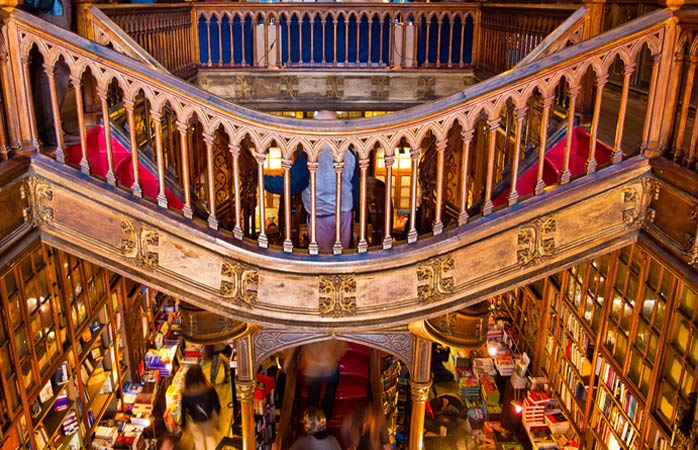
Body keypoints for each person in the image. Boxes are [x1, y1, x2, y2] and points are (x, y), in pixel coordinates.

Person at [264, 110, 357, 252]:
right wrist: (351, 208)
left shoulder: (310, 154)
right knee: (341, 257)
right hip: (344, 216)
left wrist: (262, 179)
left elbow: (292, 184)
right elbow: (356, 188)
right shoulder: (350, 152)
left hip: (321, 217)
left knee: (323, 259)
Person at [25, 0, 75, 148]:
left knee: (54, 65)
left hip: (54, 8)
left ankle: (52, 127)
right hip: (49, 8)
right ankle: (50, 131)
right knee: (53, 65)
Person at [300, 339, 347, 420]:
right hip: (329, 363)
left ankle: (312, 419)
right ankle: (327, 414)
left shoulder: (309, 328)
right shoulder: (333, 327)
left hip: (313, 366)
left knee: (313, 395)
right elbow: (342, 346)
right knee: (331, 390)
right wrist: (334, 356)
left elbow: (304, 344)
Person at [180, 365, 221, 450]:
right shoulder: (208, 388)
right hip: (207, 419)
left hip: (194, 421)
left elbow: (183, 409)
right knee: (210, 439)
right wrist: (217, 415)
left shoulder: (186, 393)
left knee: (198, 442)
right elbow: (216, 404)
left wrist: (184, 424)